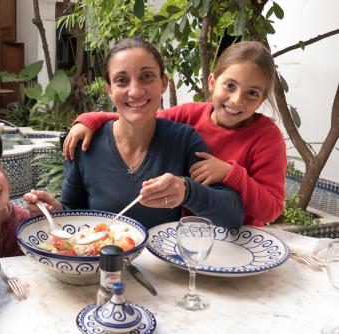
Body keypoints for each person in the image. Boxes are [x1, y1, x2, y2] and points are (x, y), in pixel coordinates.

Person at [24, 38, 243, 229]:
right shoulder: (85, 143)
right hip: (102, 268)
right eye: (121, 80)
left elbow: (232, 216)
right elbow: (74, 211)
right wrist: (54, 211)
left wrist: (187, 192)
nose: (136, 91)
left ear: (163, 83)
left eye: (147, 76)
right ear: (109, 90)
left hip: (162, 272)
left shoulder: (184, 140)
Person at [64, 41, 286, 228]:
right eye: (230, 85)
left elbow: (271, 209)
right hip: (190, 235)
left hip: (241, 239)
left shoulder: (266, 137)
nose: (237, 100)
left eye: (252, 93)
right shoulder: (189, 114)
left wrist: (230, 173)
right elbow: (138, 113)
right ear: (212, 82)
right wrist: (91, 119)